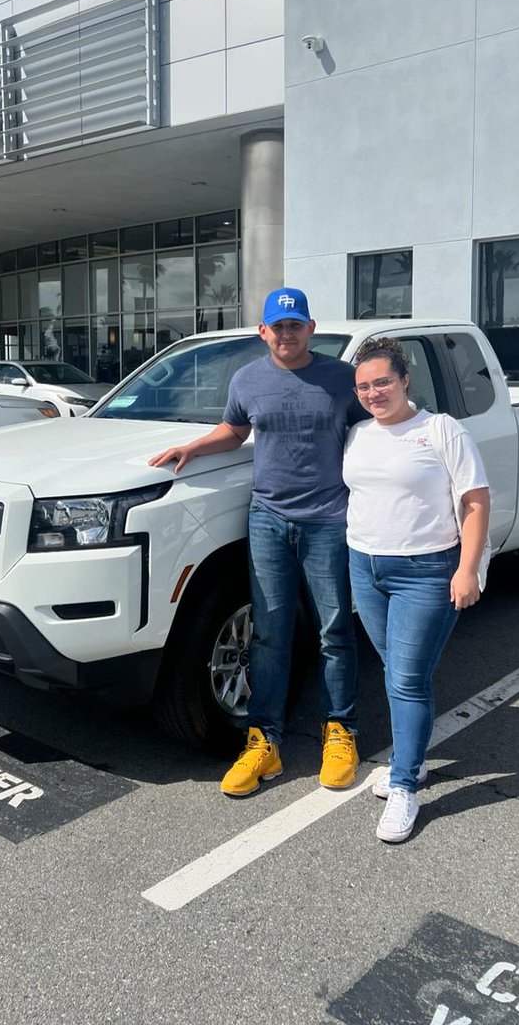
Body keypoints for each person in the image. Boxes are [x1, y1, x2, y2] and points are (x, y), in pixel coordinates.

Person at [149, 287, 367, 796]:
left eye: (296, 325)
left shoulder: (341, 378)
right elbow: (234, 430)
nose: (287, 334)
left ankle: (341, 731)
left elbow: (377, 428)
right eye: (278, 326)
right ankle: (263, 740)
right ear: (263, 331)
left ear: (310, 329)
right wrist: (192, 447)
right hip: (268, 519)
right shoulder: (248, 379)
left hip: (328, 521)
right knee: (268, 633)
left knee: (334, 631)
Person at [343, 336, 490, 843]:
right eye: (363, 385)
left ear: (406, 380)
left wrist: (467, 569)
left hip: (426, 571)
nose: (373, 392)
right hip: (365, 566)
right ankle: (412, 760)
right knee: (399, 672)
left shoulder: (439, 430)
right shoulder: (358, 434)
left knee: (406, 678)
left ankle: (405, 784)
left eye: (382, 381)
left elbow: (474, 501)